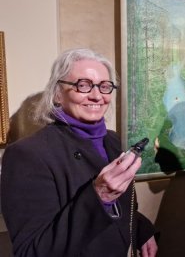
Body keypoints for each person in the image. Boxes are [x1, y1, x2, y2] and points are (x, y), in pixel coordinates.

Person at [1, 48, 158, 257]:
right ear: (57, 94)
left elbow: (119, 205)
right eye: (82, 85)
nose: (96, 96)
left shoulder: (111, 140)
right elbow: (32, 251)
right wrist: (99, 195)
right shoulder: (26, 155)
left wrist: (141, 228)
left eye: (104, 86)